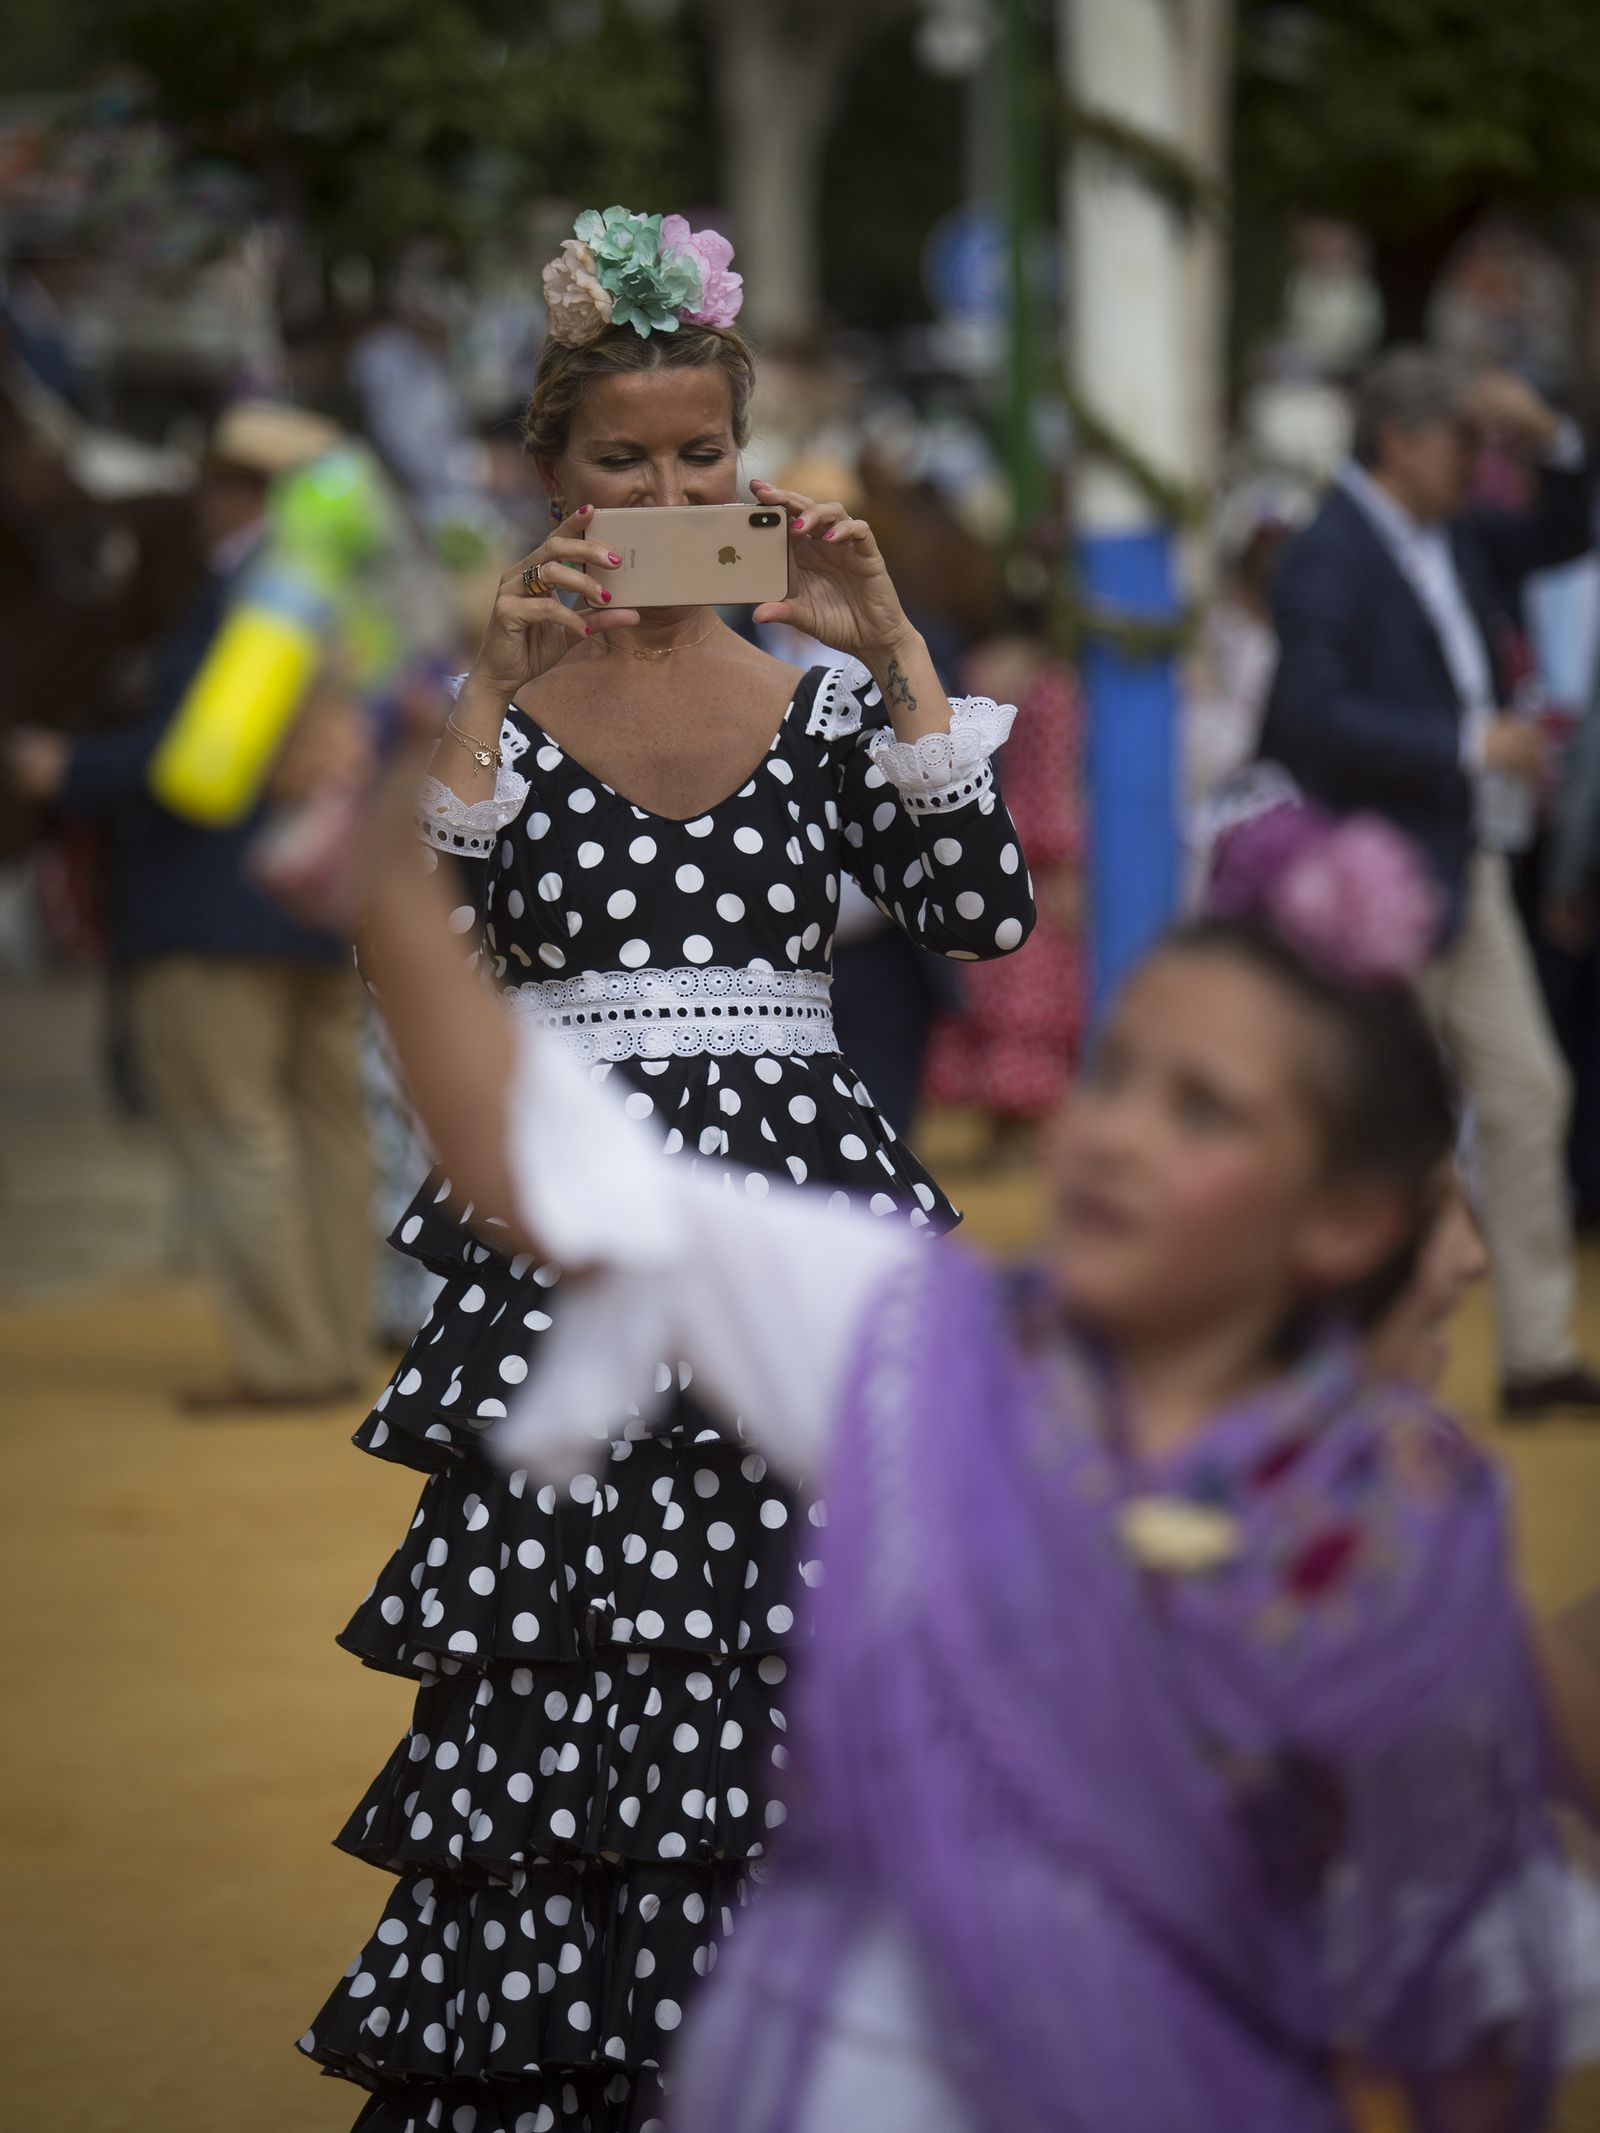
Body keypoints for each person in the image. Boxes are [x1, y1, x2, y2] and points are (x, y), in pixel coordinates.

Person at [288, 741, 1600, 2133]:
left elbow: (1465, 2018)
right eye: (1114, 1075)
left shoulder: (1392, 1545)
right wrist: (390, 868)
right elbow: (550, 1168)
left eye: (1202, 1110)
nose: (1114, 1136)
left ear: (1344, 1218)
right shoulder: (920, 1345)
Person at [295, 206, 1035, 2132]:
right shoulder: (501, 716)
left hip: (801, 1237)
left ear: (749, 459)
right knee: (562, 1684)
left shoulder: (829, 704)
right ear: (549, 473)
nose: (669, 492)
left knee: (808, 1663)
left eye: (703, 454)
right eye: (621, 461)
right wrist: (485, 690)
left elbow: (982, 913)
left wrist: (892, 640)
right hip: (576, 1250)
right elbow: (410, 964)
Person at [5, 403, 374, 1411]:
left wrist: (69, 767)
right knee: (326, 1129)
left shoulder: (261, 587)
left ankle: (288, 1358)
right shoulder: (349, 590)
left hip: (216, 902)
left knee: (234, 1132)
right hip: (324, 898)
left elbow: (200, 761)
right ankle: (335, 1338)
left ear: (237, 493)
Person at [1259, 346, 1598, 1418]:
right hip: (1374, 884)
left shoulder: (1446, 532)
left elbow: (1564, 530)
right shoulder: (1328, 552)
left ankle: (1535, 1354)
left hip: (1464, 864)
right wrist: (1464, 745)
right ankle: (1360, 1356)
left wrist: (1544, 431)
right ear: (1398, 441)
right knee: (1379, 1126)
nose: (1478, 459)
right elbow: (1306, 723)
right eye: (1462, 439)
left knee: (1528, 1092)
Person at [923, 628, 1086, 1154]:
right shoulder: (1055, 687)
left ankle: (1004, 1127)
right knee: (1028, 993)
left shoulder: (978, 667)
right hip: (1036, 855)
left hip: (981, 839)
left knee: (994, 986)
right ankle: (1017, 1128)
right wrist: (1062, 857)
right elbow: (1049, 782)